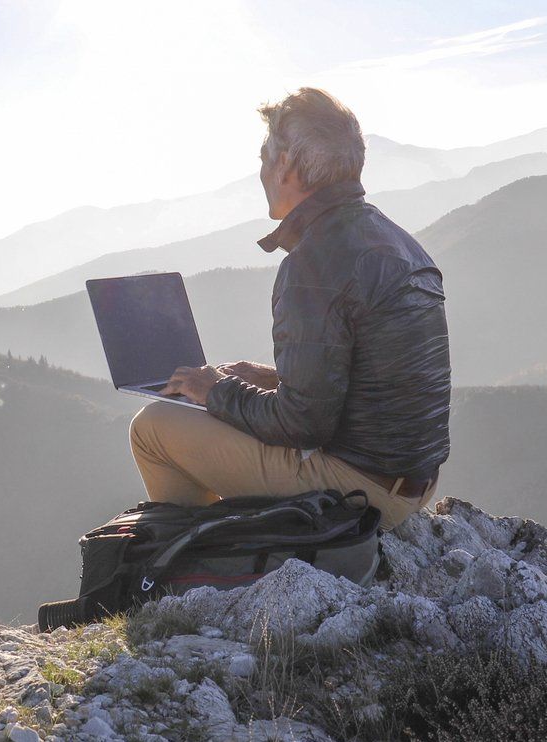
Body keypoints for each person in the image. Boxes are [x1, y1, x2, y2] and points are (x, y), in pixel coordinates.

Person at [133, 87, 451, 531]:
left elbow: (303, 427)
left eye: (265, 156)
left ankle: (203, 563)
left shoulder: (314, 263)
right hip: (411, 481)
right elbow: (366, 378)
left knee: (152, 426)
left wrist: (214, 392)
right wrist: (269, 379)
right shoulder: (394, 239)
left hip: (362, 490)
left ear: (285, 165)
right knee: (206, 405)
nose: (261, 170)